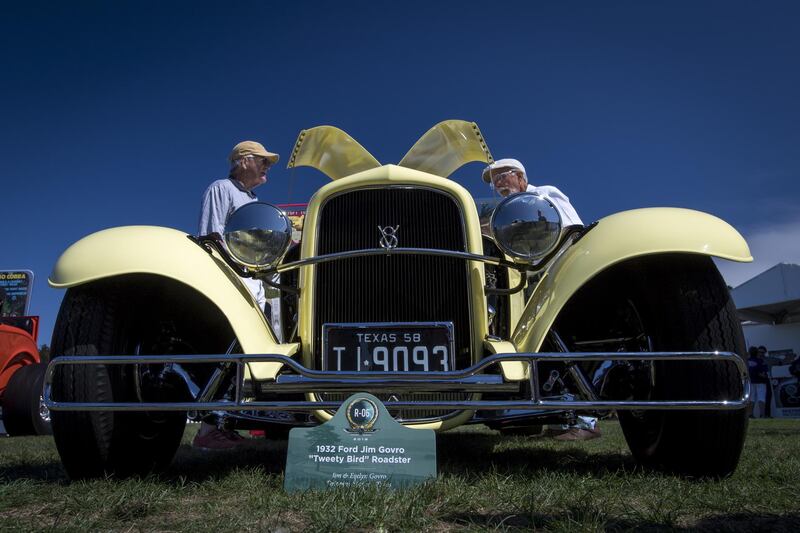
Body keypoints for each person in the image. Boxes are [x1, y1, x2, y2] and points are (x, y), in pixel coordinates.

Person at [482, 158, 600, 441]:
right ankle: (540, 416)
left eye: (503, 176)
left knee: (567, 342)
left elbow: (570, 230)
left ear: (521, 177)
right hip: (527, 286)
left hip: (558, 281)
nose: (498, 183)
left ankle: (586, 420)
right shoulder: (503, 212)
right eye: (493, 180)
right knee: (538, 349)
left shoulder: (543, 195)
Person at [194, 140, 280, 450]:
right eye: (262, 160)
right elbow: (210, 237)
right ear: (243, 161)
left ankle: (225, 425)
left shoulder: (251, 200)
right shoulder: (221, 189)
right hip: (232, 285)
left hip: (254, 289)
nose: (267, 166)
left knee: (243, 361)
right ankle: (208, 429)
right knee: (228, 355)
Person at [748, 345, 770, 418]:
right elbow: (764, 373)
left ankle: (750, 414)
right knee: (761, 398)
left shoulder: (746, 361)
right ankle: (762, 415)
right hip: (761, 382)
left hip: (751, 382)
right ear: (757, 352)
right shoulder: (761, 361)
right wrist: (760, 374)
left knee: (751, 399)